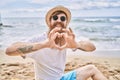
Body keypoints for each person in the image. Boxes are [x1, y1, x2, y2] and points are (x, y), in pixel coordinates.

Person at [6, 6, 107, 80]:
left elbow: (92, 47)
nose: (59, 20)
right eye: (55, 18)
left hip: (61, 78)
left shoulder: (66, 38)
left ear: (66, 23)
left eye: (63, 18)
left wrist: (76, 45)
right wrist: (44, 45)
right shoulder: (40, 39)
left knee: (92, 69)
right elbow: (9, 50)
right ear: (49, 22)